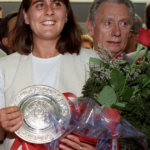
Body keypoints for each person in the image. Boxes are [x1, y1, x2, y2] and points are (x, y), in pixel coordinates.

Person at [0, 0, 97, 150]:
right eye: (39, 4)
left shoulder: (92, 63)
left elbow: (110, 129)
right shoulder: (4, 67)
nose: (49, 10)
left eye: (57, 4)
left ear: (66, 15)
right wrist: (1, 125)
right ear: (26, 16)